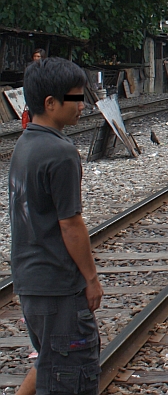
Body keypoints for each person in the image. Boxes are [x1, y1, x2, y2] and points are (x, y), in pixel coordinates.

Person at [10, 57, 102, 395]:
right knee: (72, 374)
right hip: (58, 286)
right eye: (75, 98)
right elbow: (71, 225)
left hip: (30, 282)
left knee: (49, 360)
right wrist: (91, 278)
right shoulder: (60, 152)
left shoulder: (25, 145)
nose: (82, 106)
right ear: (51, 103)